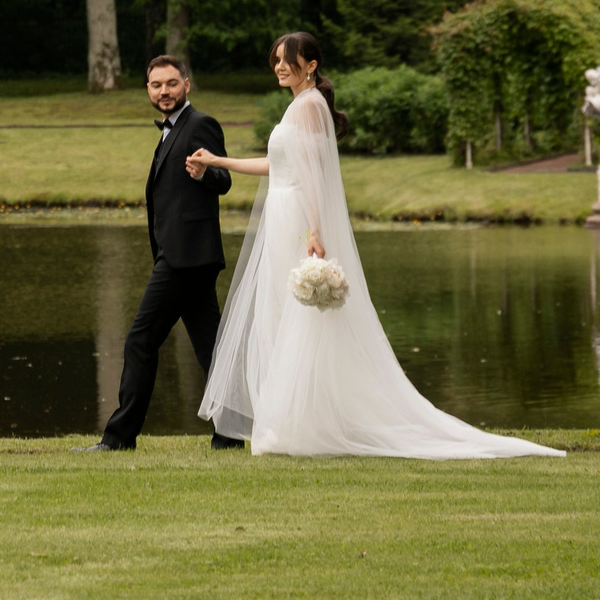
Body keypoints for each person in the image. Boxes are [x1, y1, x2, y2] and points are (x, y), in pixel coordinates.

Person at [184, 31, 562, 459]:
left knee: (299, 318)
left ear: (311, 65)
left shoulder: (308, 107)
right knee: (282, 314)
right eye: (276, 59)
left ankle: (302, 425)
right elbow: (280, 165)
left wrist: (314, 230)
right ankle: (290, 421)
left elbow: (313, 174)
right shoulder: (299, 106)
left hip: (296, 217)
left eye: (289, 59)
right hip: (283, 210)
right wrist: (216, 160)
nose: (280, 66)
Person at [85, 52, 242, 451]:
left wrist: (207, 173)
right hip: (188, 257)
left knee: (140, 340)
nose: (164, 91)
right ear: (149, 90)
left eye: (171, 83)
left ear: (186, 85)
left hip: (184, 258)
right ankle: (231, 433)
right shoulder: (171, 130)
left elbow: (222, 179)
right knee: (212, 349)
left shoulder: (199, 124)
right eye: (156, 85)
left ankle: (119, 439)